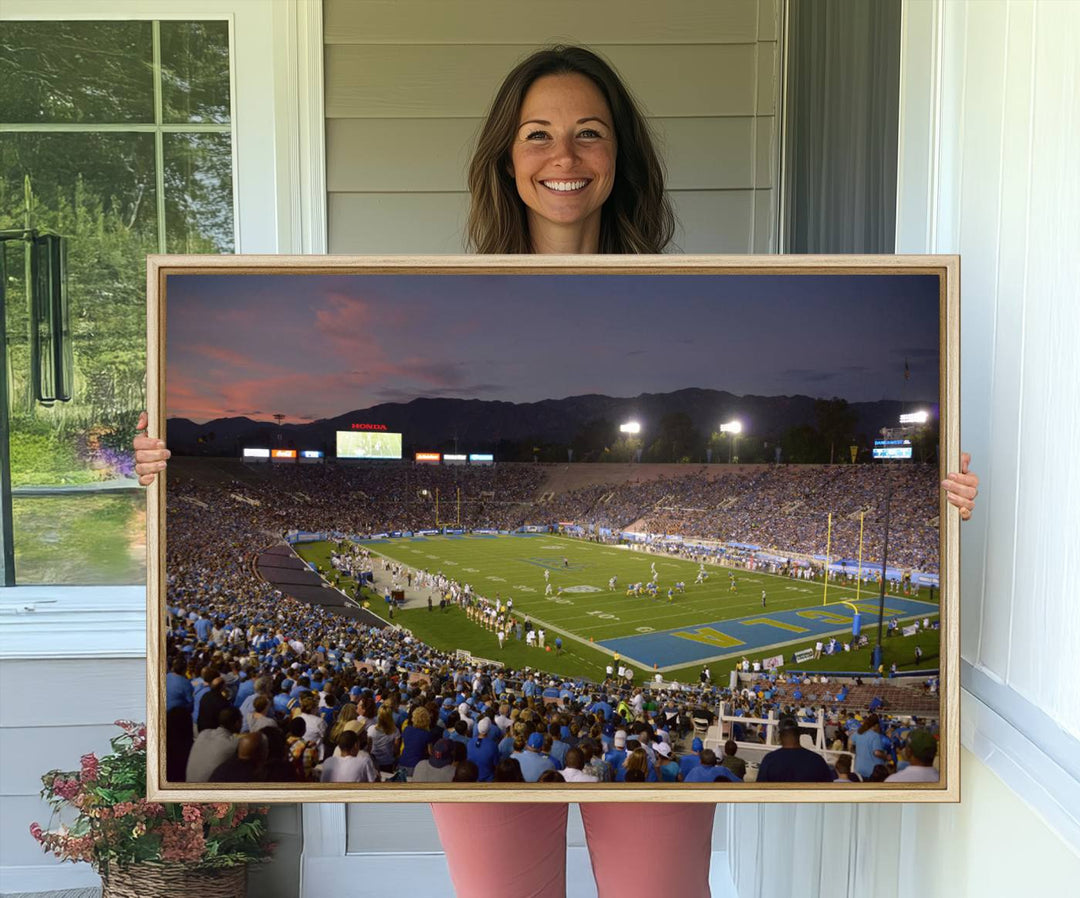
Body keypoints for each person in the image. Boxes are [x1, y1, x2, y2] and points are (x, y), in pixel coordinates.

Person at [134, 42, 980, 898]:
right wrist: (162, 465)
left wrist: (937, 494)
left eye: (589, 133)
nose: (563, 157)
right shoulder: (449, 302)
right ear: (506, 158)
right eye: (538, 134)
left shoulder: (678, 301)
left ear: (621, 157)